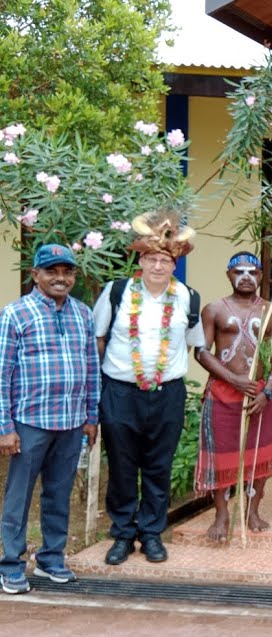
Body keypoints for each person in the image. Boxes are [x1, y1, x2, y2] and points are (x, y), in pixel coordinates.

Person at [96, 211, 204, 565]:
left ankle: (152, 533)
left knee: (159, 465)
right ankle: (123, 534)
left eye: (165, 260)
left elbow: (190, 344)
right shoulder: (116, 292)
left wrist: (164, 373)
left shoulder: (188, 298)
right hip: (120, 392)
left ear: (174, 265)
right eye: (152, 259)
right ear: (140, 260)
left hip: (166, 394)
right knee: (123, 465)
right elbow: (98, 341)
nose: (158, 266)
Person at [0, 244, 99, 594]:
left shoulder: (83, 314)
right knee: (19, 497)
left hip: (71, 422)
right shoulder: (15, 314)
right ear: (35, 275)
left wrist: (91, 415)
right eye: (52, 271)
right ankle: (11, 565)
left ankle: (51, 559)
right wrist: (5, 427)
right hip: (29, 423)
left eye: (67, 272)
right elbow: (2, 374)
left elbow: (91, 368)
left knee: (58, 494)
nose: (61, 278)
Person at [193, 252, 272, 543]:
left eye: (252, 272)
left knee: (260, 455)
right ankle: (221, 513)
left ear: (261, 276)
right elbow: (202, 351)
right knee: (222, 455)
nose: (246, 277)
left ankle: (252, 510)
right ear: (228, 275)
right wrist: (232, 379)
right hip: (222, 392)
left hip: (260, 394)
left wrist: (268, 391)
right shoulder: (214, 309)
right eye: (239, 272)